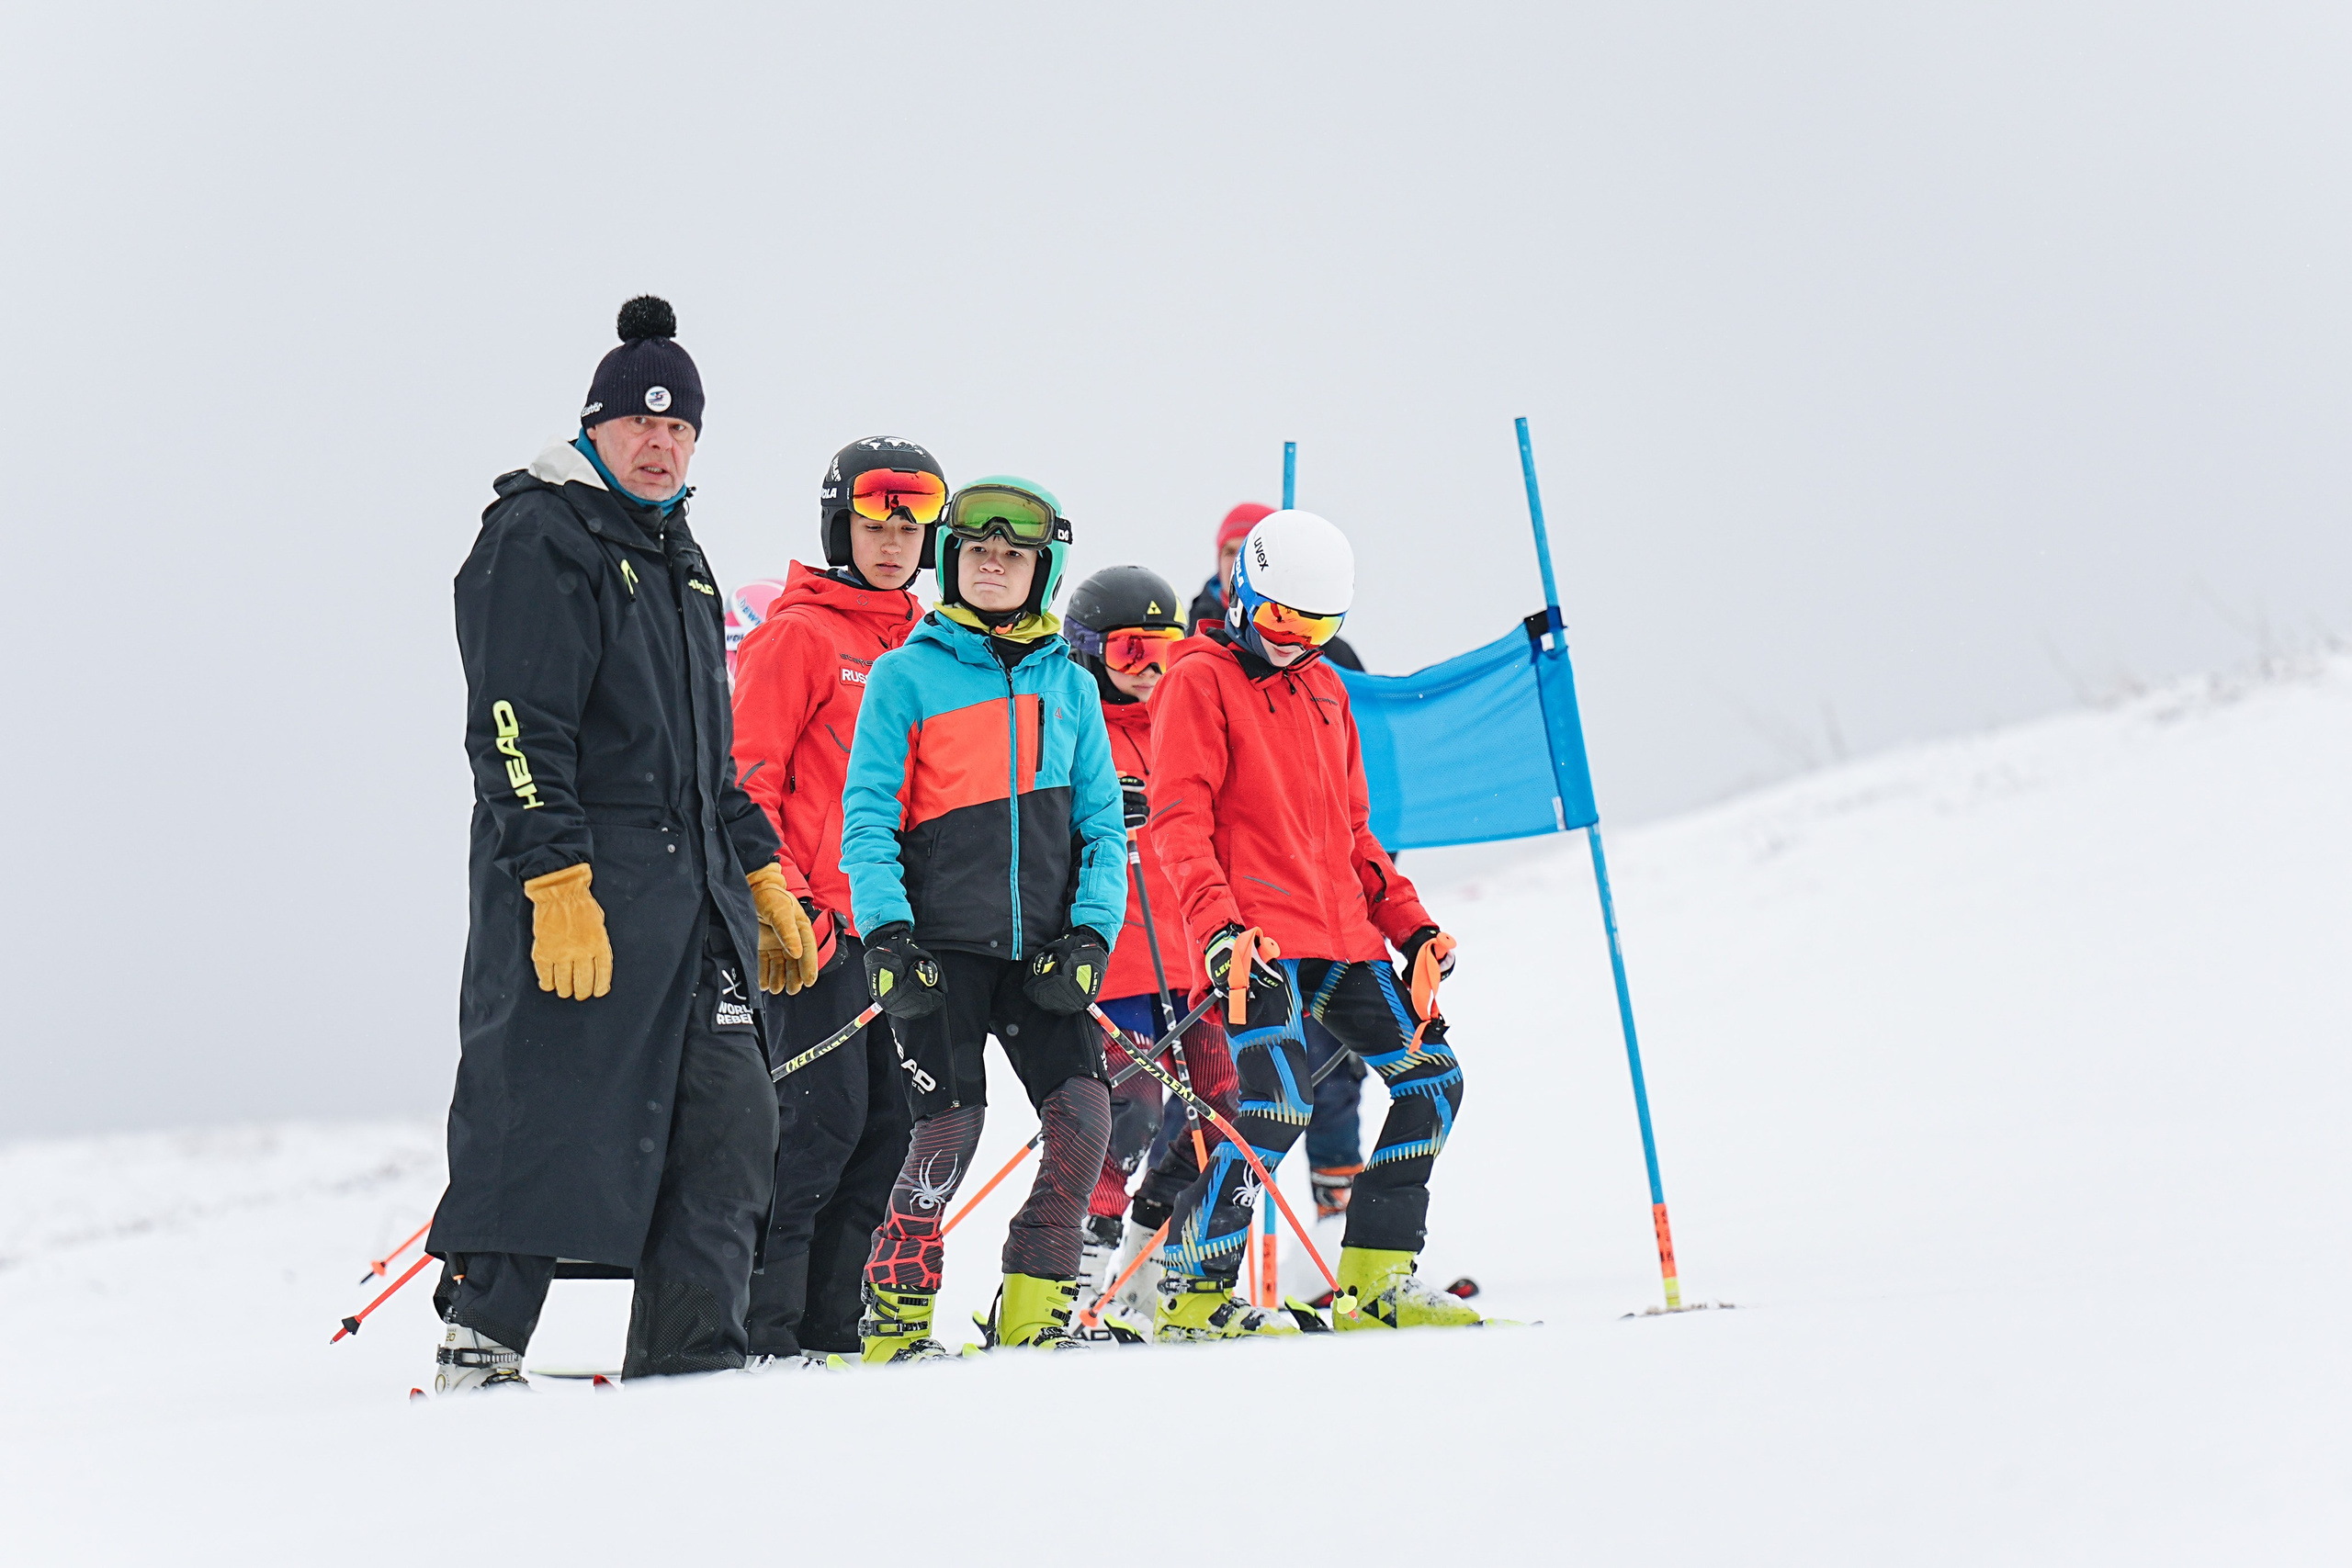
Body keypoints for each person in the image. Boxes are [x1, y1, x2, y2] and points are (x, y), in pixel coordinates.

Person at [429, 297, 820, 1392]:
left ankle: (692, 1367)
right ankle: (482, 1344)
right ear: (596, 428)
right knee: (543, 1103)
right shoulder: (538, 533)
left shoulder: (682, 560)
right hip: (579, 890)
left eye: (681, 429)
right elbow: (514, 728)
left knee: (733, 1129)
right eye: (641, 425)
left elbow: (710, 760)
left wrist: (763, 878)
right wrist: (554, 879)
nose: (661, 445)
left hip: (693, 901)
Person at [1145, 509, 1483, 1337]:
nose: (1294, 640)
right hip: (1254, 947)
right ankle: (1190, 1290)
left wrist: (1412, 928)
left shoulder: (1329, 688)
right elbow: (1178, 823)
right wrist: (1220, 929)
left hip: (1342, 940)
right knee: (1276, 1104)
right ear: (1240, 594)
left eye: (1319, 625)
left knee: (1433, 1081)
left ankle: (1374, 1279)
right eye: (1277, 618)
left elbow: (1355, 835)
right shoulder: (1198, 679)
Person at [838, 477, 1128, 1358]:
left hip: (1042, 952)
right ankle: (895, 1317)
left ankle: (1036, 1309)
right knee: (950, 1128)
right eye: (976, 551)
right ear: (950, 560)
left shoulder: (1072, 689)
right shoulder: (904, 676)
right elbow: (868, 815)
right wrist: (886, 934)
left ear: (1044, 571)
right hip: (939, 951)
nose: (993, 564)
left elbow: (1102, 827)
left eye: (1013, 554)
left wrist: (1090, 933)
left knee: (1084, 1116)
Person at [729, 438, 945, 1365]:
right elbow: (746, 778)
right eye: (872, 523)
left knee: (891, 1132)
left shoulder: (933, 648)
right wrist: (778, 896)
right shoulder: (800, 634)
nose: (891, 542)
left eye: (909, 526)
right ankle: (761, 1332)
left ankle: (836, 1328)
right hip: (813, 929)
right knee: (815, 1129)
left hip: (902, 934)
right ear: (838, 526)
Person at [1058, 566, 1240, 1323]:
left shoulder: (1183, 721)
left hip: (1191, 958)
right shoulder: (1068, 722)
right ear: (1091, 650)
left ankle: (1147, 1258)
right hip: (1118, 960)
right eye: (1131, 650)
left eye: (1164, 648)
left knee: (1225, 1112)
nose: (1151, 668)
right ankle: (1072, 1273)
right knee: (1129, 1110)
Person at [1189, 502, 1372, 1244]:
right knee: (1242, 1091)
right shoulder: (1200, 642)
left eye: (1318, 626)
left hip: (1325, 910)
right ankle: (1196, 1250)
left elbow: (1349, 797)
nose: (1299, 638)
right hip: (1239, 918)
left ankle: (1339, 1224)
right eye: (1231, 551)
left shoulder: (1333, 667)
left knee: (1338, 1071)